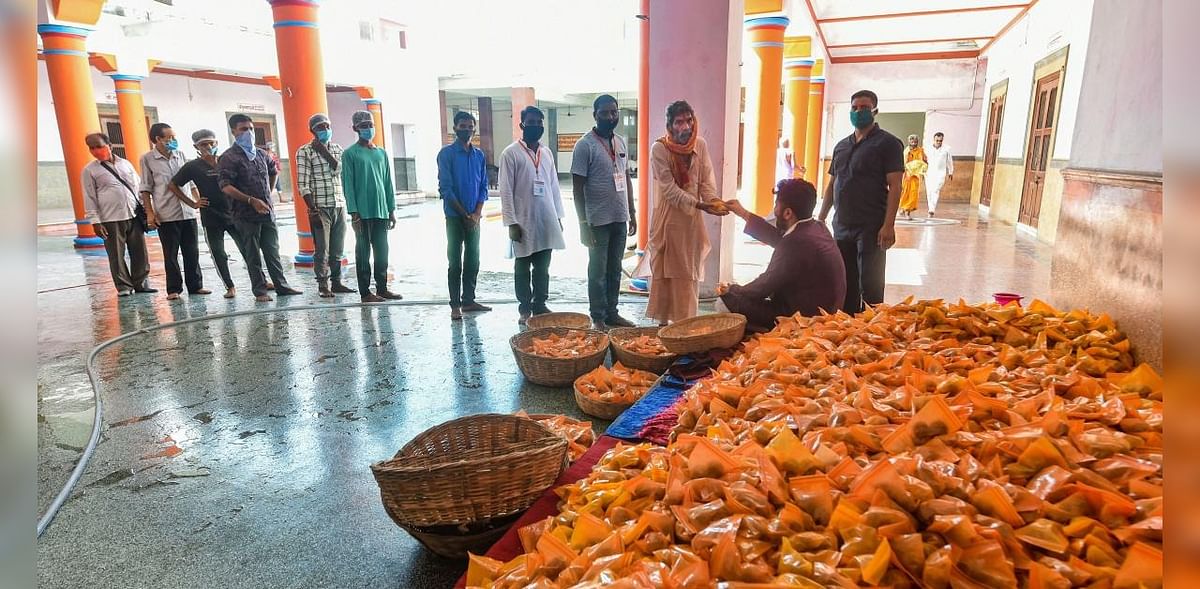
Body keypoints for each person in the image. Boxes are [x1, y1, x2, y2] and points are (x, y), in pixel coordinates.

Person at [717, 179, 846, 332]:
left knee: (724, 302)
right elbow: (779, 238)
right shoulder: (818, 227)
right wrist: (744, 213)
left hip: (803, 319)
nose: (774, 210)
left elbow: (764, 286)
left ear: (787, 213)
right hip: (827, 311)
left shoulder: (795, 242)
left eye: (776, 205)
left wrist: (733, 290)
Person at [643, 100, 729, 325]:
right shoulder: (659, 148)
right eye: (679, 122)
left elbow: (706, 182)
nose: (686, 126)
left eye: (689, 120)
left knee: (688, 276)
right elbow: (669, 190)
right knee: (665, 274)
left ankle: (685, 326)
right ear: (670, 126)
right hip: (667, 221)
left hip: (690, 224)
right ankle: (663, 328)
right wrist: (701, 205)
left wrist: (714, 202)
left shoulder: (699, 145)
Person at [818, 89, 903, 315]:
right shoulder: (841, 146)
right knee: (846, 283)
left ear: (875, 111)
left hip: (871, 226)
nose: (858, 112)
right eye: (854, 108)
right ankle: (849, 330)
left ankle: (874, 332)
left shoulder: (888, 144)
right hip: (842, 226)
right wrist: (821, 217)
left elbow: (895, 186)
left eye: (864, 108)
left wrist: (889, 225)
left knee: (871, 285)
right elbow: (832, 184)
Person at [218, 113, 303, 302]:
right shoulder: (228, 157)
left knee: (272, 251)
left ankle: (281, 286)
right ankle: (260, 291)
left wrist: (268, 193)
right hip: (245, 214)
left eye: (250, 128)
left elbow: (274, 172)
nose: (248, 132)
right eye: (243, 129)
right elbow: (226, 186)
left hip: (267, 213)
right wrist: (251, 200)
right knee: (253, 253)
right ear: (233, 132)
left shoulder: (262, 154)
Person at [571, 94, 638, 331]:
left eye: (614, 112)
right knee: (597, 272)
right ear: (595, 115)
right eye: (605, 113)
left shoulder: (620, 141)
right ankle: (597, 317)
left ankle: (612, 313)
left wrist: (632, 211)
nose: (611, 117)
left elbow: (627, 179)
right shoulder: (584, 145)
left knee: (614, 269)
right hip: (596, 221)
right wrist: (582, 223)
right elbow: (577, 189)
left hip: (620, 217)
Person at [498, 105, 565, 324]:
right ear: (522, 125)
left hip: (545, 218)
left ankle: (540, 304)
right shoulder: (510, 153)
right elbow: (505, 190)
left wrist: (558, 217)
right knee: (522, 266)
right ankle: (524, 308)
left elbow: (554, 186)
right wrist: (511, 222)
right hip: (523, 220)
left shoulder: (546, 153)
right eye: (531, 122)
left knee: (543, 266)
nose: (535, 126)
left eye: (539, 123)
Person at [169, 129, 245, 299]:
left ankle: (260, 280)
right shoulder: (192, 166)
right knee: (219, 253)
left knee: (247, 248)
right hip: (211, 217)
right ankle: (230, 286)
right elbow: (173, 185)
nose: (209, 147)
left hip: (234, 213)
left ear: (217, 143)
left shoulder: (226, 160)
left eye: (212, 143)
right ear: (196, 146)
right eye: (204, 144)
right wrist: (192, 203)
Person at [139, 122, 208, 300]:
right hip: (166, 213)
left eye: (174, 137)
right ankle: (174, 289)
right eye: (169, 137)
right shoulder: (148, 159)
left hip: (187, 212)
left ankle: (195, 285)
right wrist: (150, 213)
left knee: (192, 251)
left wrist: (197, 201)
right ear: (158, 139)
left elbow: (191, 182)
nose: (173, 140)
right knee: (171, 254)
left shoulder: (180, 155)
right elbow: (145, 188)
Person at [82, 133, 155, 296]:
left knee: (139, 251)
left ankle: (141, 283)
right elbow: (89, 196)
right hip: (110, 218)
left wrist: (147, 210)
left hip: (133, 215)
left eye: (99, 146)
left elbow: (138, 187)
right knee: (116, 254)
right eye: (91, 148)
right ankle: (123, 286)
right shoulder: (90, 170)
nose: (95, 150)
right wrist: (95, 221)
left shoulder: (126, 164)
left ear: (110, 145)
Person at [342, 110, 401, 303]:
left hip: (381, 211)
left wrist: (391, 210)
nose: (368, 129)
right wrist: (354, 212)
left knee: (382, 251)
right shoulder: (350, 154)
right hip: (362, 212)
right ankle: (365, 292)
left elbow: (387, 183)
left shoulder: (381, 153)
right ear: (355, 129)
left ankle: (382, 288)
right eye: (363, 126)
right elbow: (348, 185)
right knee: (363, 253)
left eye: (370, 125)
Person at [437, 111, 491, 320]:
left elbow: (483, 186)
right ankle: (455, 305)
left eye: (470, 126)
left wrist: (476, 213)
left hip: (474, 217)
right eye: (462, 126)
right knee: (455, 262)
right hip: (454, 216)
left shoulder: (478, 155)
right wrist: (465, 215)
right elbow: (446, 189)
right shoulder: (446, 154)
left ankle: (469, 300)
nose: (466, 130)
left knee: (473, 259)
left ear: (474, 129)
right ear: (455, 128)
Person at [296, 113, 355, 298]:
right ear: (312, 130)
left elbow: (340, 170)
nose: (326, 130)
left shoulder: (337, 149)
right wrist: (312, 209)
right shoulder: (304, 151)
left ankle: (337, 282)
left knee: (338, 247)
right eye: (320, 127)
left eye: (327, 126)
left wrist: (323, 151)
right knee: (322, 249)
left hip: (338, 204)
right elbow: (303, 184)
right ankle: (323, 285)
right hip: (319, 207)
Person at [898, 134, 927, 219]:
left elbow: (924, 160)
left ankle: (908, 212)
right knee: (905, 193)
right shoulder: (906, 151)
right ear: (909, 142)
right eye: (912, 141)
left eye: (915, 141)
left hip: (916, 176)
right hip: (907, 175)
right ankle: (903, 207)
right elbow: (904, 163)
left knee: (913, 193)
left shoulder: (921, 150)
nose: (914, 143)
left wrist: (923, 167)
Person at [925, 132, 954, 217]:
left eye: (940, 141)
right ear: (934, 140)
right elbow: (924, 160)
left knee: (936, 189)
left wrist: (951, 171)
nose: (938, 142)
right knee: (929, 191)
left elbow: (949, 161)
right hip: (929, 172)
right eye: (937, 140)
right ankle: (931, 209)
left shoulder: (946, 149)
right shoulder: (928, 148)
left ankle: (932, 209)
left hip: (941, 173)